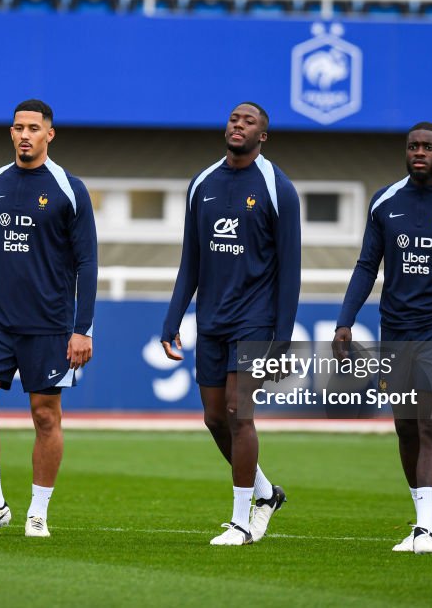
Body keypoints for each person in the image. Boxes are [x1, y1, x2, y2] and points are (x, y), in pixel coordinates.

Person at [331, 122, 432, 555]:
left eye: (429, 147)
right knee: (405, 429)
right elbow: (368, 265)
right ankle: (428, 518)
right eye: (413, 146)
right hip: (396, 329)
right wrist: (345, 320)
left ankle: (421, 532)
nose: (419, 152)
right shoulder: (385, 201)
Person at [0, 99, 97, 539]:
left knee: (45, 416)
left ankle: (38, 511)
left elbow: (88, 263)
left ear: (49, 134)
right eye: (18, 127)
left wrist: (82, 328)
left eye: (33, 128)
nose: (24, 135)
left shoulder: (68, 189)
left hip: (50, 322)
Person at [161, 102, 301, 546]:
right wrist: (172, 318)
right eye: (234, 119)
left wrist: (282, 338)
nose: (238, 125)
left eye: (249, 121)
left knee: (241, 414)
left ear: (263, 136)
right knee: (214, 418)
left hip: (256, 320)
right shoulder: (202, 183)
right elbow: (191, 261)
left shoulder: (278, 188)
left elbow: (291, 269)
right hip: (213, 321)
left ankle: (242, 522)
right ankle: (266, 495)